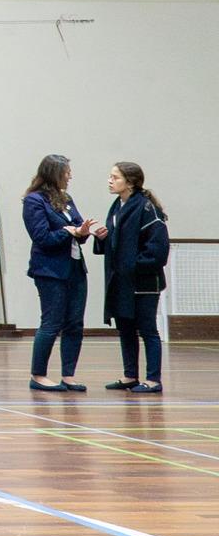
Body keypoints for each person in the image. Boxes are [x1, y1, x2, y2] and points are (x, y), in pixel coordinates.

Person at [94, 161, 169, 394]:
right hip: (122, 281)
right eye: (110, 176)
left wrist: (133, 266)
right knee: (125, 327)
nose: (110, 180)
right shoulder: (117, 206)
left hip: (143, 282)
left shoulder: (147, 208)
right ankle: (130, 376)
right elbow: (118, 243)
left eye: (115, 177)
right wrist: (103, 238)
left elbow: (157, 249)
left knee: (147, 329)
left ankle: (154, 379)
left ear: (131, 182)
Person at [23, 153, 94, 393]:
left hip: (74, 268)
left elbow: (78, 227)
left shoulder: (66, 198)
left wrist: (84, 231)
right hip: (49, 270)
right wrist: (69, 231)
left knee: (75, 323)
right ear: (54, 174)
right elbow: (42, 237)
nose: (70, 176)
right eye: (66, 172)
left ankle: (69, 374)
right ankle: (39, 374)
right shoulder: (34, 200)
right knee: (51, 323)